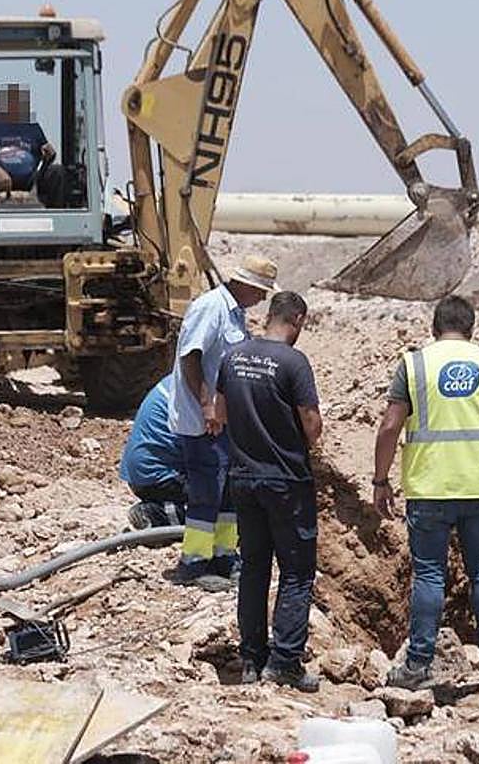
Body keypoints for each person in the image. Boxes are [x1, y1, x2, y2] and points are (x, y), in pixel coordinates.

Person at [372, 294, 479, 691]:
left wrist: (380, 480)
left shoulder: (414, 365)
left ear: (433, 328)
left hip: (429, 488)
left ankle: (418, 665)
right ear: (472, 329)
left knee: (429, 574)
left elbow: (389, 427)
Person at [216, 291, 323, 692]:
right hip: (285, 481)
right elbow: (311, 426)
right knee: (296, 572)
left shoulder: (233, 356)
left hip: (243, 478)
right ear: (296, 318)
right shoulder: (294, 362)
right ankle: (285, 661)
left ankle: (251, 658)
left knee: (255, 567)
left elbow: (219, 412)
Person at [167, 255, 278, 588]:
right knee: (206, 490)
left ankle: (223, 555)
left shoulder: (234, 313)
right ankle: (194, 563)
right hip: (205, 421)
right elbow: (191, 357)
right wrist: (208, 405)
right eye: (261, 292)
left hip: (223, 420)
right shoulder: (210, 307)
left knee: (227, 491)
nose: (262, 299)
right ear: (245, 285)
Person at [0, 83, 68, 207]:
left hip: (29, 179)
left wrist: (49, 154)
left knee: (57, 171)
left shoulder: (31, 125)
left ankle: (57, 218)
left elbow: (44, 151)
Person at [120, 375, 187, 529]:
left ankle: (162, 508)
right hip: (159, 477)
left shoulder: (180, 379)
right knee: (217, 513)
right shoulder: (197, 389)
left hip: (146, 475)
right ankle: (156, 515)